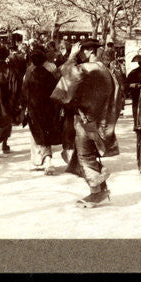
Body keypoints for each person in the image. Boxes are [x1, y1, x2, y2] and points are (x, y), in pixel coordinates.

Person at [53, 39, 118, 207]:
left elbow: (65, 73)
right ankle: (101, 189)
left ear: (89, 51)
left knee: (85, 155)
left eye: (82, 51)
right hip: (100, 118)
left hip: (86, 118)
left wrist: (71, 56)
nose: (80, 55)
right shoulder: (106, 70)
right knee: (87, 153)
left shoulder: (89, 68)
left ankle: (96, 192)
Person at [22, 46, 62, 175]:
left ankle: (40, 160)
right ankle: (45, 160)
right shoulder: (52, 68)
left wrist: (25, 107)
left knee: (36, 134)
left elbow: (25, 90)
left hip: (34, 107)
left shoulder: (30, 70)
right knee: (46, 133)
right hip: (49, 107)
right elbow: (58, 85)